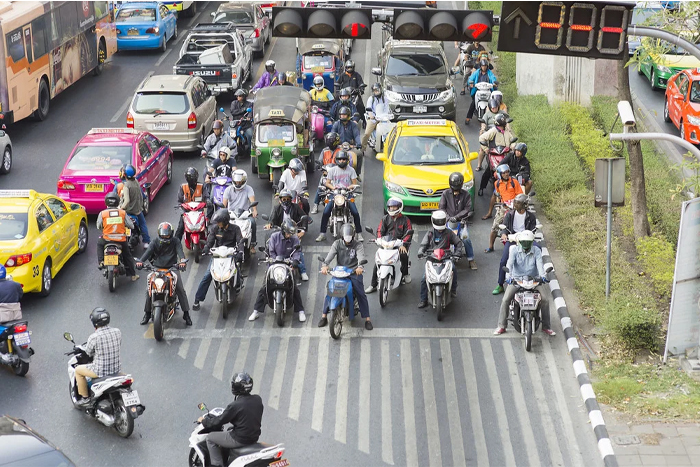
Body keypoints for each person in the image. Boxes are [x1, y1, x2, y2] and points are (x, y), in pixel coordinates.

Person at [494, 230, 556, 336]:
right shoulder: (514, 250)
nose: (526, 244)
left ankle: (546, 326)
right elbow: (510, 264)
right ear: (520, 242)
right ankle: (501, 326)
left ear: (532, 242)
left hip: (534, 280)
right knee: (505, 299)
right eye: (524, 242)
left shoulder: (536, 250)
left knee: (545, 299)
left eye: (528, 242)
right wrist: (508, 277)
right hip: (517, 279)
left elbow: (540, 264)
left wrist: (543, 276)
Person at [199, 372, 264, 467]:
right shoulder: (258, 399)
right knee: (230, 429)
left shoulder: (235, 405)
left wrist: (204, 421)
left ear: (236, 387)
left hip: (240, 439)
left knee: (210, 438)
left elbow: (219, 421)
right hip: (253, 436)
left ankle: (217, 465)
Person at [249, 219, 308, 322]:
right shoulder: (274, 237)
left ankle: (300, 311)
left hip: (288, 265)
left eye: (291, 233)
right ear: (284, 231)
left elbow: (297, 252)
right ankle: (256, 311)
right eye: (288, 232)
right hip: (274, 264)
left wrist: (294, 261)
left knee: (294, 288)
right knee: (264, 287)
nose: (290, 235)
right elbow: (271, 251)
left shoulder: (295, 239)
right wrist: (273, 260)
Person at [318, 223, 373, 330]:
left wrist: (360, 267)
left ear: (353, 236)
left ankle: (367, 318)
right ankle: (324, 316)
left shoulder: (358, 245)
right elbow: (329, 256)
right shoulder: (337, 244)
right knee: (330, 291)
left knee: (361, 293)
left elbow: (361, 256)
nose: (348, 240)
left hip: (353, 272)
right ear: (342, 236)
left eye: (350, 238)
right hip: (339, 272)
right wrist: (325, 265)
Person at [136, 222, 191, 326]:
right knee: (149, 290)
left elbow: (180, 252)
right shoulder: (155, 242)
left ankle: (186, 314)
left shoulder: (175, 241)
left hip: (172, 268)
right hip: (157, 268)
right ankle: (147, 314)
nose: (165, 236)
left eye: (167, 234)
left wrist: (182, 261)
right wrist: (140, 262)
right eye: (163, 234)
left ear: (171, 233)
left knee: (180, 289)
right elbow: (147, 252)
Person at [193, 210, 245, 311]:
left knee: (236, 270)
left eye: (219, 222)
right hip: (218, 255)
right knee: (208, 275)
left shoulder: (236, 229)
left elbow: (240, 242)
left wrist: (240, 252)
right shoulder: (215, 229)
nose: (218, 224)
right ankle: (197, 299)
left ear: (225, 221)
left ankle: (238, 285)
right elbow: (210, 241)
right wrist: (206, 248)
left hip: (231, 254)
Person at [417, 210, 465, 309]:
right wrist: (421, 252)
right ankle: (423, 299)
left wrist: (457, 254)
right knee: (424, 278)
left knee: (454, 270)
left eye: (441, 221)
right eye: (437, 221)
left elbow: (458, 243)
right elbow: (423, 244)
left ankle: (453, 290)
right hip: (431, 257)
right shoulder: (430, 233)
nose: (439, 224)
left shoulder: (449, 233)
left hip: (446, 257)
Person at [74, 308, 121, 406]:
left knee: (78, 370)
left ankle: (85, 398)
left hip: (100, 371)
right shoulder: (117, 331)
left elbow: (89, 353)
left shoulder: (94, 337)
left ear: (94, 322)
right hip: (116, 369)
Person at [365, 198, 412, 293]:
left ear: (399, 207)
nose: (392, 208)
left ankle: (405, 273)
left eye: (394, 206)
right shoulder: (385, 219)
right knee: (378, 262)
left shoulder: (405, 220)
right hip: (387, 244)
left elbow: (409, 234)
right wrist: (378, 239)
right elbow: (379, 231)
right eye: (391, 207)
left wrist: (403, 244)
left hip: (400, 244)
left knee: (403, 255)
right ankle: (373, 285)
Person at [492, 193, 536, 295]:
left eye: (518, 203)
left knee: (537, 253)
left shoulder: (531, 217)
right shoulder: (510, 214)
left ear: (524, 205)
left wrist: (529, 237)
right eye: (515, 203)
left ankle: (535, 280)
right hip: (512, 239)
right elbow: (505, 227)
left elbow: (533, 230)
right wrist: (504, 234)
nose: (515, 205)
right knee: (504, 260)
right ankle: (500, 284)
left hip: (526, 240)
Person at [315, 151, 363, 242]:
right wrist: (333, 188)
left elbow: (354, 183)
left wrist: (348, 188)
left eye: (344, 159)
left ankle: (359, 233)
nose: (341, 161)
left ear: (347, 160)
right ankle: (322, 233)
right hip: (334, 194)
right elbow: (327, 183)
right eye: (340, 159)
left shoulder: (351, 170)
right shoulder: (333, 170)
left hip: (347, 194)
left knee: (355, 212)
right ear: (336, 160)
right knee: (326, 212)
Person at [439, 172, 477, 270]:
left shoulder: (466, 195)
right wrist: (448, 218)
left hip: (461, 222)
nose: (455, 191)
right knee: (440, 239)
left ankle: (471, 259)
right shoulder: (445, 194)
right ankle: (440, 259)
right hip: (448, 223)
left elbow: (467, 209)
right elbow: (442, 208)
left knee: (466, 238)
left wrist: (457, 217)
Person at [96, 192, 138, 281]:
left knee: (99, 244)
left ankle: (101, 262)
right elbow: (131, 226)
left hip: (107, 239)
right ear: (118, 202)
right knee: (127, 255)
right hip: (121, 240)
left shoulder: (103, 213)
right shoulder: (122, 213)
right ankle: (133, 275)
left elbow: (98, 226)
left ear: (106, 202)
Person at [483, 164, 525, 253]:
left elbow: (520, 195)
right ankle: (490, 246)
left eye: (507, 172)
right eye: (504, 173)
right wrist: (500, 205)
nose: (506, 174)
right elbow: (498, 195)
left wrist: (516, 205)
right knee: (495, 227)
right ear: (500, 174)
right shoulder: (497, 183)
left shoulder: (514, 182)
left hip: (514, 208)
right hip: (503, 208)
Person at [477, 113, 517, 196]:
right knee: (488, 171)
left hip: (505, 154)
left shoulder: (506, 132)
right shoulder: (493, 131)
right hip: (494, 155)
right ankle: (482, 188)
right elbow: (481, 138)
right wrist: (486, 149)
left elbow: (511, 141)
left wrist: (513, 147)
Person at [223, 170, 257, 252]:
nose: (238, 183)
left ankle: (252, 244)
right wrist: (222, 212)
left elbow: (252, 201)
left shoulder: (249, 189)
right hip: (231, 214)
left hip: (244, 213)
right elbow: (224, 204)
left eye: (240, 181)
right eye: (236, 181)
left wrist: (254, 210)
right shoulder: (228, 189)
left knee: (252, 222)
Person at [118, 164, 151, 247]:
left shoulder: (126, 186)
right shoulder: (135, 181)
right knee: (143, 224)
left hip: (128, 211)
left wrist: (120, 208)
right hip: (137, 210)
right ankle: (146, 242)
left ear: (125, 175)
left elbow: (127, 201)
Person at [176, 167, 211, 240]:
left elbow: (206, 196)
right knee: (180, 228)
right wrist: (181, 210)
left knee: (207, 226)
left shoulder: (202, 186)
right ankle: (175, 245)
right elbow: (179, 201)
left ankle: (208, 243)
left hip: (199, 211)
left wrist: (208, 201)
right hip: (187, 212)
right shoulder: (183, 187)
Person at [330, 106, 363, 177]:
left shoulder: (353, 125)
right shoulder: (336, 124)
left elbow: (357, 135)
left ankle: (357, 173)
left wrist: (358, 144)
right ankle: (330, 172)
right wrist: (332, 143)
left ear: (348, 115)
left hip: (350, 146)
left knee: (359, 154)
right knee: (331, 154)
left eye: (344, 115)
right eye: (341, 115)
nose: (343, 116)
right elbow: (332, 134)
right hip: (339, 146)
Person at [466, 59, 498, 125]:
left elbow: (493, 78)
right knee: (473, 103)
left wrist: (494, 83)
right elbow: (471, 78)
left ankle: (496, 117)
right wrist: (471, 83)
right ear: (480, 66)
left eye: (485, 66)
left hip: (488, 90)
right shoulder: (477, 72)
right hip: (478, 90)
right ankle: (468, 117)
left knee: (494, 102)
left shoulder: (489, 73)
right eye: (483, 66)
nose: (484, 67)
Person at [361, 83, 388, 152]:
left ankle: (387, 147)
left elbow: (386, 109)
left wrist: (386, 116)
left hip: (382, 118)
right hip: (373, 119)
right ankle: (362, 148)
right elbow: (368, 108)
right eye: (375, 91)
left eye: (377, 90)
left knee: (387, 132)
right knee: (367, 133)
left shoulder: (384, 99)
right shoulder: (371, 99)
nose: (376, 92)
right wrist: (371, 115)